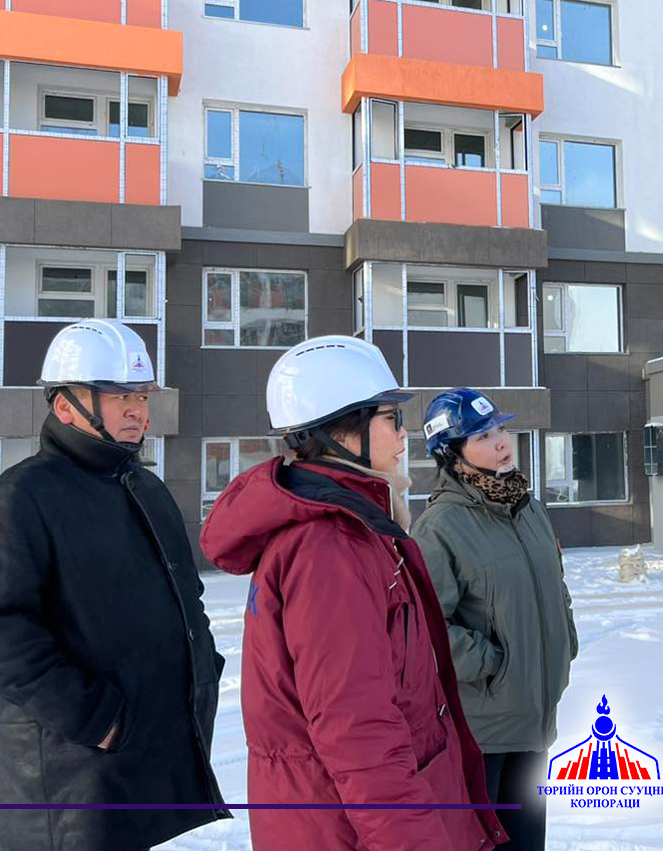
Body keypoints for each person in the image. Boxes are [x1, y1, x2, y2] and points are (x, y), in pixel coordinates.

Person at [200, 335, 506, 851]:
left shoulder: (358, 528)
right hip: (350, 833)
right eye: (391, 418)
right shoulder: (330, 549)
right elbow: (358, 730)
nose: (405, 433)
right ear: (342, 430)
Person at [0, 319, 229, 851]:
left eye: (141, 396)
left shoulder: (145, 489)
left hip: (139, 756)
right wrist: (94, 718)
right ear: (65, 407)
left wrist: (202, 674)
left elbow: (185, 598)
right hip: (68, 774)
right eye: (119, 396)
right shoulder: (20, 499)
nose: (137, 411)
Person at [411, 388, 579, 851]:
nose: (502, 441)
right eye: (482, 436)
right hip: (482, 732)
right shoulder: (439, 526)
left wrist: (566, 640)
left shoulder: (529, 510)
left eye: (501, 428)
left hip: (534, 719)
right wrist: (494, 664)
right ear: (452, 452)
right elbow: (428, 628)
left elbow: (554, 588)